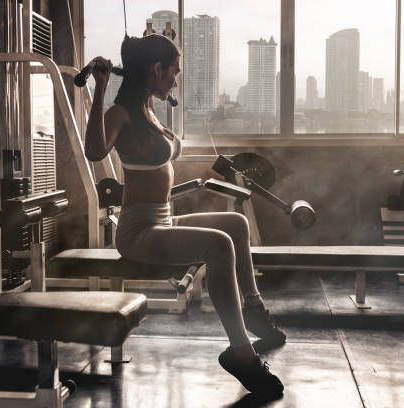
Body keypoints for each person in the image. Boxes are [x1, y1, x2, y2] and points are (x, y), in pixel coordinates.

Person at [84, 34, 286, 397]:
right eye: (173, 72)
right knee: (219, 245)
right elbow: (94, 150)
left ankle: (254, 307)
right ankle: (240, 352)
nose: (175, 80)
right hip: (137, 232)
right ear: (156, 69)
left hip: (161, 220)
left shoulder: (148, 111)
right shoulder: (122, 113)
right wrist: (100, 88)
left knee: (235, 224)